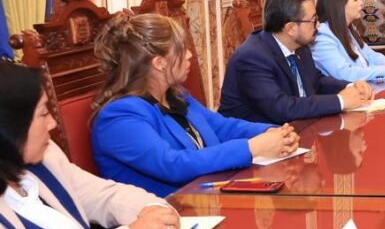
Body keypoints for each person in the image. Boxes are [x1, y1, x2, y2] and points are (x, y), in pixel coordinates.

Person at [0, 60, 182, 229]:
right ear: (9, 126)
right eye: (43, 113)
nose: (52, 123)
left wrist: (154, 211)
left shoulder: (47, 156)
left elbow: (104, 195)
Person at [91, 13, 300, 197]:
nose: (190, 54)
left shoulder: (175, 94)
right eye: (182, 50)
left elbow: (221, 126)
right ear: (159, 63)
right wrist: (251, 148)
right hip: (168, 214)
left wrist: (272, 132)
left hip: (207, 198)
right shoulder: (119, 117)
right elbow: (173, 164)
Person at [219, 0, 375, 123]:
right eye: (313, 20)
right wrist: (341, 101)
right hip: (256, 140)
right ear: (291, 28)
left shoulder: (300, 46)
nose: (318, 25)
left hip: (298, 130)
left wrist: (351, 86)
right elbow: (282, 108)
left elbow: (316, 81)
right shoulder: (252, 58)